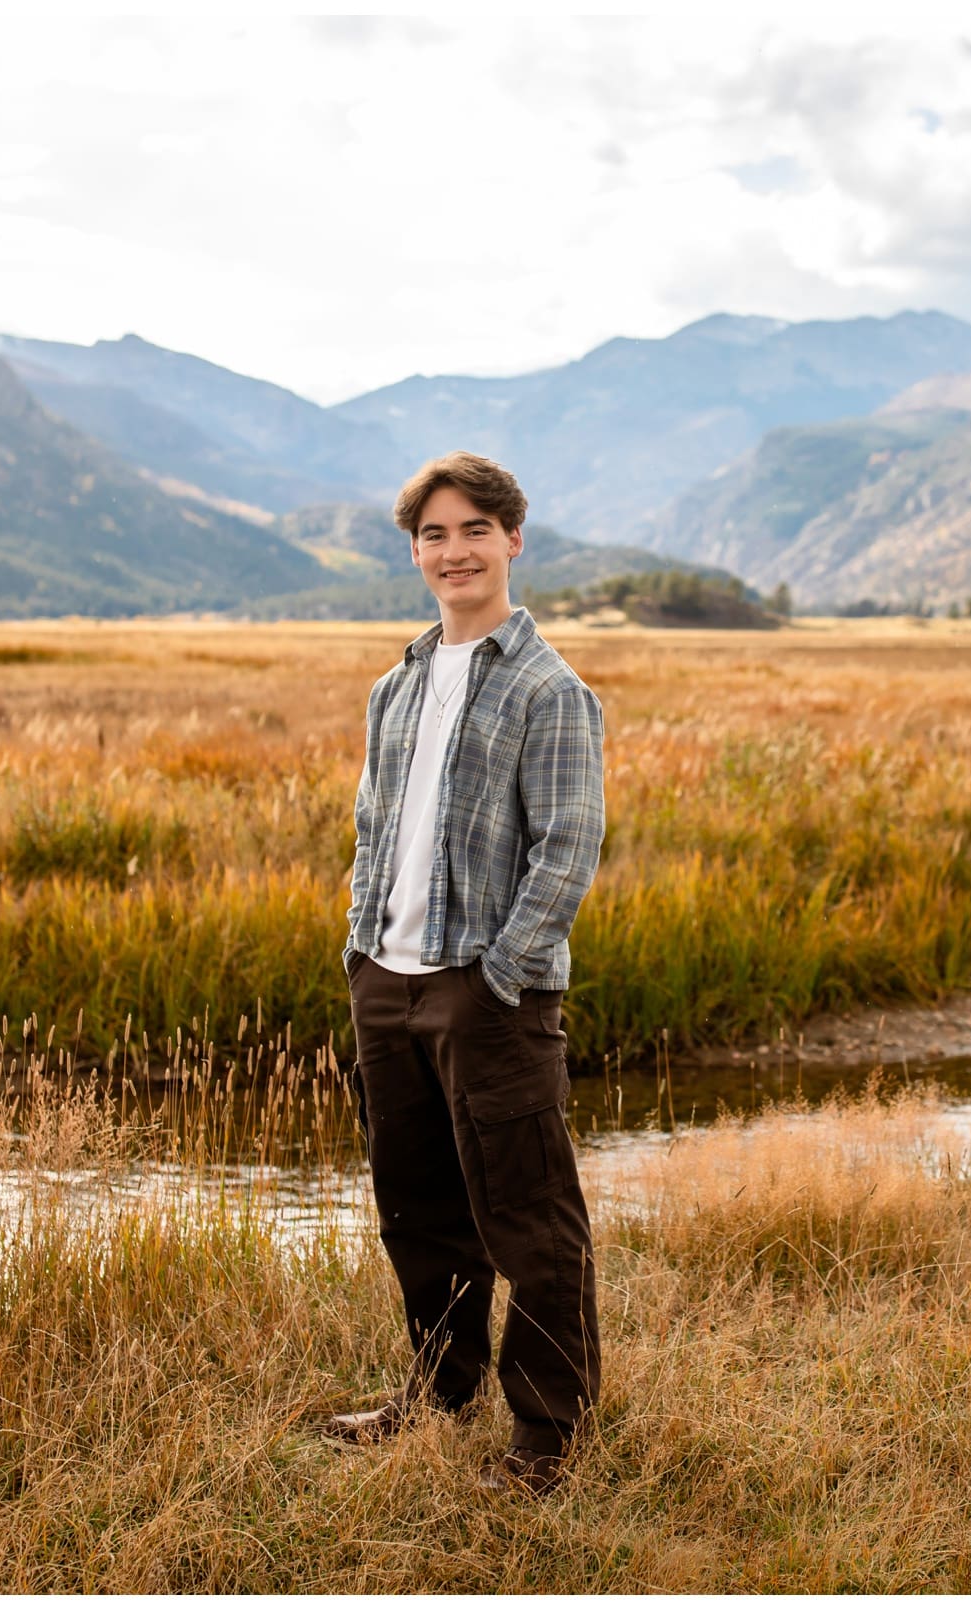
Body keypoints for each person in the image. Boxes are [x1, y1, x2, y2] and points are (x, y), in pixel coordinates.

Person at [323, 451, 607, 1498]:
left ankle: (547, 1434)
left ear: (513, 539)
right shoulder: (394, 686)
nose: (456, 550)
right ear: (415, 550)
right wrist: (363, 950)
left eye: (475, 529)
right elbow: (371, 829)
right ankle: (439, 1392)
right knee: (419, 1209)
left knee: (528, 1217)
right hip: (386, 983)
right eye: (436, 534)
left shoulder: (550, 688)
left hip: (489, 993)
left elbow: (569, 847)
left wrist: (502, 977)